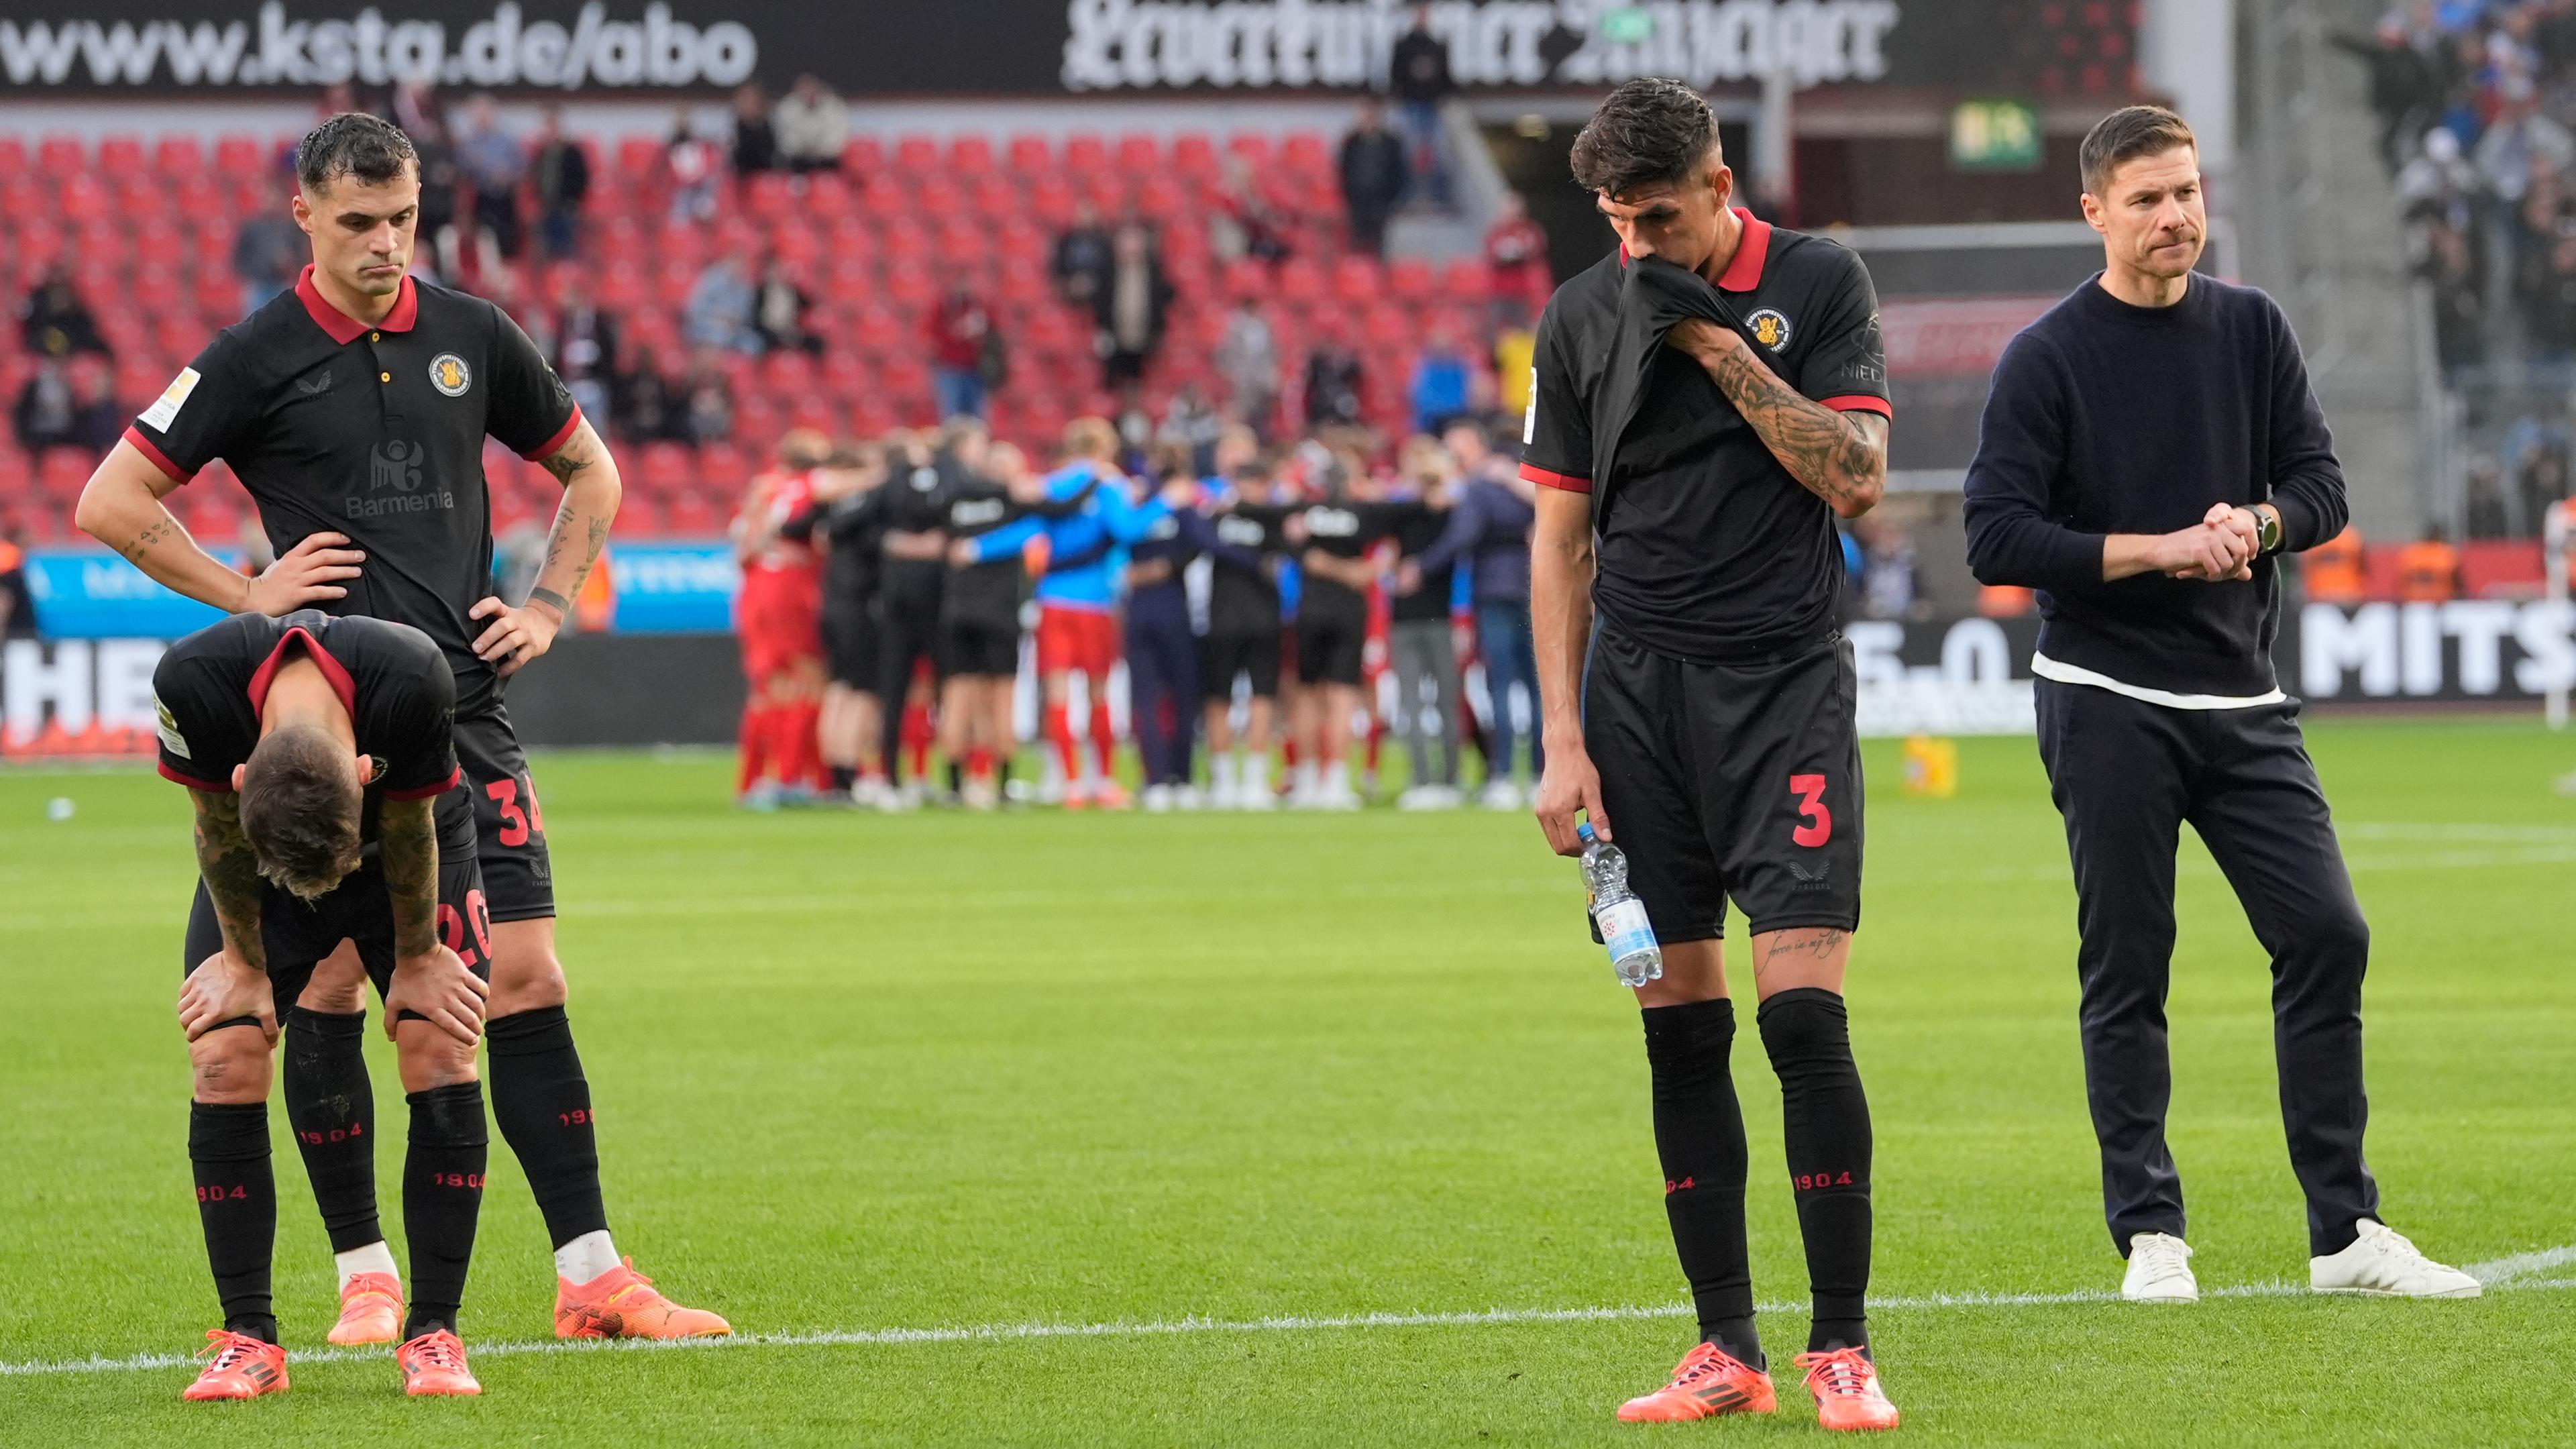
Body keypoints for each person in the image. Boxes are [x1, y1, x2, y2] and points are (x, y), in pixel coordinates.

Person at [74, 111, 727, 1350]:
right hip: (315, 732)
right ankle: (364, 1271)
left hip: (463, 717)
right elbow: (112, 499)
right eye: (361, 223)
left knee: (522, 978)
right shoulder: (255, 354)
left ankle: (592, 1274)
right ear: (306, 214)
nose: (387, 246)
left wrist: (548, 603)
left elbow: (592, 472)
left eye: (405, 221)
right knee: (322, 986)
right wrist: (247, 594)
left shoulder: (472, 333)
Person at [1962, 104, 2482, 1310]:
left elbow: (2322, 486)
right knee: (2131, 963)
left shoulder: (2253, 328)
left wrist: (2260, 525)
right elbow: (1997, 536)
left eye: (2187, 192)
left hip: (2245, 698)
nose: (2175, 216)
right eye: (2146, 198)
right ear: (2094, 211)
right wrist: (2161, 550)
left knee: (2327, 933)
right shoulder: (2047, 356)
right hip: (2105, 695)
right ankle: (2152, 1233)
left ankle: (2345, 1230)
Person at [1523, 79, 1898, 1430]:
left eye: (1660, 215)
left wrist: (1717, 343)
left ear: (1720, 179)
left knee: (1801, 1018)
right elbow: (1559, 539)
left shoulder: (1816, 279)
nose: (1637, 245)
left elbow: (1854, 476)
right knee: (1681, 1032)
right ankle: (1724, 1351)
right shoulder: (1575, 317)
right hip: (1634, 705)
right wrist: (1562, 740)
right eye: (1618, 221)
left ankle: (1840, 1349)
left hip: (1784, 686)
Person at [152, 610, 494, 1401]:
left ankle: (435, 1334)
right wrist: (241, 962)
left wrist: (416, 961)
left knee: (439, 1040)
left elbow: (410, 828)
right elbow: (215, 831)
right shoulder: (192, 684)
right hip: (260, 863)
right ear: (243, 776)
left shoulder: (410, 677)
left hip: (406, 846)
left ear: (367, 768)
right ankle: (248, 1341)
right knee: (222, 1050)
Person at [954, 417, 1181, 808]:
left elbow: (1029, 530)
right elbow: (1127, 530)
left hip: (1053, 601)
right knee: (1098, 694)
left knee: (1058, 694)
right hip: (1096, 603)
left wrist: (977, 548)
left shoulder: (1056, 484)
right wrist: (1165, 503)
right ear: (1105, 448)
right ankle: (1104, 781)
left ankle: (1070, 784)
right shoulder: (1110, 485)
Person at [1413, 419, 1542, 806]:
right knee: (1540, 687)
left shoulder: (1479, 488)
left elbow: (1463, 536)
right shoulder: (1524, 479)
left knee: (1500, 685)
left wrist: (1421, 566)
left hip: (1493, 590)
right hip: (1536, 589)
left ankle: (1502, 775)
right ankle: (1541, 772)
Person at [731, 430, 832, 807]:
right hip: (792, 588)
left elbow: (743, 549)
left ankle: (753, 782)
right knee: (807, 682)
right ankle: (795, 778)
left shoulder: (762, 489)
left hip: (756, 589)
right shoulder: (808, 489)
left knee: (765, 691)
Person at [935, 431, 1030, 811]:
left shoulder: (956, 500)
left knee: (957, 699)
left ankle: (956, 787)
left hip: (958, 611)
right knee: (1001, 701)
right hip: (1001, 612)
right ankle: (1003, 786)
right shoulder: (1015, 504)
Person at [1200, 436, 1289, 810]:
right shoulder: (1274, 520)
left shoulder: (1219, 519)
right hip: (1241, 616)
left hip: (1245, 617)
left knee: (1254, 699)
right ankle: (1232, 780)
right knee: (1235, 699)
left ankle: (1243, 780)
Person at [804, 439, 893, 802]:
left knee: (839, 688)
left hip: (833, 603)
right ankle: (851, 772)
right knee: (861, 690)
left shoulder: (833, 509)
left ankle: (837, 775)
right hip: (858, 607)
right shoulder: (869, 512)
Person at [1125, 441, 1210, 810]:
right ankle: (1180, 778)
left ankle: (1156, 779)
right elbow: (1203, 544)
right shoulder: (1183, 504)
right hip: (1174, 606)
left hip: (1143, 606)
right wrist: (1171, 568)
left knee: (1149, 697)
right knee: (1182, 695)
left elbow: (1119, 538)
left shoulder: (1138, 501)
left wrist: (1144, 571)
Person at [871, 431, 955, 801]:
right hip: (906, 607)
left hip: (931, 606)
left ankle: (948, 778)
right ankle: (891, 777)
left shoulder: (949, 483)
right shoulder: (891, 487)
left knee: (943, 694)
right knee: (898, 694)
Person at [1386, 436, 1466, 808]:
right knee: (1424, 702)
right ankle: (1431, 781)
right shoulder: (1412, 511)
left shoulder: (1448, 512)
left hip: (1434, 618)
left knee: (1438, 701)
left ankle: (1443, 781)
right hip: (1417, 618)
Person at [1093, 223, 1173, 401]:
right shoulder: (1109, 271)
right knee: (1113, 386)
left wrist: (1157, 331)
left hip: (1145, 339)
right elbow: (1100, 301)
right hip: (1115, 338)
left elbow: (1162, 299)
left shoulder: (1153, 271)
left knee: (1141, 385)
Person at [1388, 5, 1456, 209]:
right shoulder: (1404, 46)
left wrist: (1447, 96)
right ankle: (1407, 196)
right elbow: (1396, 75)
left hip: (1432, 107)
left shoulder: (1436, 46)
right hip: (1411, 106)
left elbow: (1446, 77)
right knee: (1409, 154)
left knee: (1438, 153)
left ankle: (1439, 197)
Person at [452, 94, 525, 260]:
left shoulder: (507, 141)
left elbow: (521, 168)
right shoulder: (468, 144)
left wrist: (507, 175)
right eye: (478, 114)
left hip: (506, 196)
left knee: (508, 227)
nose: (482, 118)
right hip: (481, 197)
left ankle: (508, 259)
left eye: (486, 113)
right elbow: (462, 169)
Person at [1338, 100, 1409, 258]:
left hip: (1382, 200)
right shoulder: (1352, 142)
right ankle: (1358, 274)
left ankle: (1376, 277)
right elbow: (1344, 170)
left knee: (1379, 243)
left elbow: (1399, 171)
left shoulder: (1391, 143)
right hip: (1357, 200)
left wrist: (1393, 196)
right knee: (1358, 241)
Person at [529, 105, 590, 262]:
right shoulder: (542, 153)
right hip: (547, 207)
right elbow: (536, 178)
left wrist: (572, 199)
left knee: (568, 250)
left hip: (566, 208)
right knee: (549, 252)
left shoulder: (572, 152)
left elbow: (581, 178)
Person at [1214, 298, 1280, 436]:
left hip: (1261, 379)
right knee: (1243, 415)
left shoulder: (1265, 326)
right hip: (1241, 379)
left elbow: (1272, 354)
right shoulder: (1233, 328)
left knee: (1262, 415)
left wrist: (1271, 375)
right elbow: (1224, 354)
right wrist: (1230, 373)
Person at [929, 286, 994, 421]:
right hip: (950, 369)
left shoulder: (980, 305)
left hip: (975, 369)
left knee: (977, 420)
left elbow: (995, 333)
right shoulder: (943, 307)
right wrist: (958, 330)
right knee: (951, 419)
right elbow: (932, 336)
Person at [20, 262, 109, 360]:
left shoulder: (77, 310)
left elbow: (88, 338)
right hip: (41, 355)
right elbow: (28, 333)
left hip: (72, 355)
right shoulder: (37, 303)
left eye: (62, 294)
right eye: (55, 293)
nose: (60, 298)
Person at [1485, 191, 1555, 313]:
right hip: (1502, 290)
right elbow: (1492, 254)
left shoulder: (1531, 230)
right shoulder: (1497, 232)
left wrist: (1518, 250)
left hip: (1528, 291)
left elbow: (1535, 250)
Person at [685, 248, 762, 354]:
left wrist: (734, 321)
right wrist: (719, 318)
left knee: (754, 343)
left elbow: (747, 316)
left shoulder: (746, 287)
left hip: (733, 330)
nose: (739, 267)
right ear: (727, 262)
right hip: (706, 326)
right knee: (717, 335)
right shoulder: (712, 279)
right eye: (735, 262)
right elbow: (695, 308)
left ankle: (738, 369)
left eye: (743, 263)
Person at [771, 74, 849, 174]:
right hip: (796, 162)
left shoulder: (833, 108)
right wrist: (802, 149)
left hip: (827, 162)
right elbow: (784, 138)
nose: (809, 93)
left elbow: (838, 138)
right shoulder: (787, 109)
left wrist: (820, 150)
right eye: (805, 89)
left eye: (812, 88)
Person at [1051, 200, 1114, 309]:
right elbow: (1058, 267)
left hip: (1098, 299)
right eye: (1082, 215)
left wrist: (1093, 283)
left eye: (1088, 214)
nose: (1085, 219)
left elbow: (1109, 270)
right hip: (1069, 296)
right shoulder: (1066, 241)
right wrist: (1070, 283)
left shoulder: (1104, 243)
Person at [10, 356, 78, 452]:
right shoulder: (32, 388)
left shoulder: (68, 387)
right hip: (36, 437)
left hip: (63, 437)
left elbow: (75, 417)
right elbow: (22, 413)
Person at [729, 83, 777, 176]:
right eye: (746, 101)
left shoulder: (768, 126)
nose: (750, 105)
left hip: (763, 175)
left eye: (754, 101)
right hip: (739, 177)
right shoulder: (732, 126)